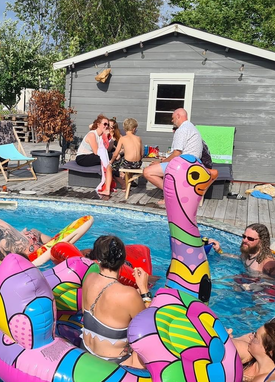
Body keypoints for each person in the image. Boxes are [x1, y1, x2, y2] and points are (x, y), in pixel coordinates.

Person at [80, 235, 149, 364]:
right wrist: (144, 290)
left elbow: (86, 310)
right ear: (123, 261)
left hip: (86, 349)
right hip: (114, 363)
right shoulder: (128, 295)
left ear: (98, 258)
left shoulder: (89, 278)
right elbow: (148, 328)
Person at [143, 108, 203, 207]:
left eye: (173, 118)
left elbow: (176, 153)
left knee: (147, 171)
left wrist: (161, 163)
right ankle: (172, 193)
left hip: (183, 166)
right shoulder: (191, 127)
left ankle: (173, 194)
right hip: (193, 164)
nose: (172, 120)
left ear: (178, 116)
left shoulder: (182, 130)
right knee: (157, 168)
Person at [207, 223, 275, 276]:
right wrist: (219, 251)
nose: (245, 240)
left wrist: (253, 284)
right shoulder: (248, 252)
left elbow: (274, 284)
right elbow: (237, 258)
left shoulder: (268, 263)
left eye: (250, 238)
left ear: (261, 242)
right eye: (244, 236)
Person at [75, 114, 113, 198]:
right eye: (105, 124)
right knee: (108, 157)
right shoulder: (92, 134)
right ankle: (119, 177)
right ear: (98, 125)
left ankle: (119, 177)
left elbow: (107, 149)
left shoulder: (101, 136)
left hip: (92, 156)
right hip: (83, 157)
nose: (106, 126)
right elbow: (96, 152)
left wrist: (109, 138)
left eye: (108, 125)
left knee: (109, 157)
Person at [110, 118, 143, 190]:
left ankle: (124, 181)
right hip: (137, 164)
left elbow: (115, 154)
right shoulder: (138, 138)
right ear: (134, 129)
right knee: (124, 161)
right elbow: (141, 154)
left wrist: (111, 161)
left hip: (128, 164)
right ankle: (127, 178)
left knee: (112, 166)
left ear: (124, 128)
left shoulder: (123, 138)